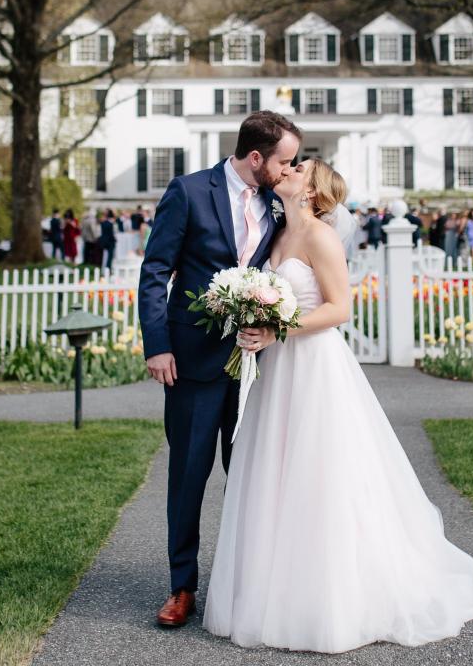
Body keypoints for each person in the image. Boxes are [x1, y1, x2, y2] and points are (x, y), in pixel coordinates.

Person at [204, 158, 473, 652]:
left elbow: (339, 308)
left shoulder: (320, 237)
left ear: (312, 192)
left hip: (314, 365)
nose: (289, 169)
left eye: (300, 168)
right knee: (276, 469)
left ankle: (332, 598)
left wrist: (276, 329)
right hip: (278, 369)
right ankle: (275, 587)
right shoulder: (276, 235)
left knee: (321, 472)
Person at [139, 110, 302, 630]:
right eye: (285, 161)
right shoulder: (188, 192)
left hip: (257, 365)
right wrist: (158, 345)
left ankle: (240, 583)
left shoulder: (279, 203)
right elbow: (155, 271)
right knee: (188, 475)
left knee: (248, 477)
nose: (289, 169)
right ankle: (181, 587)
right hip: (189, 361)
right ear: (256, 157)